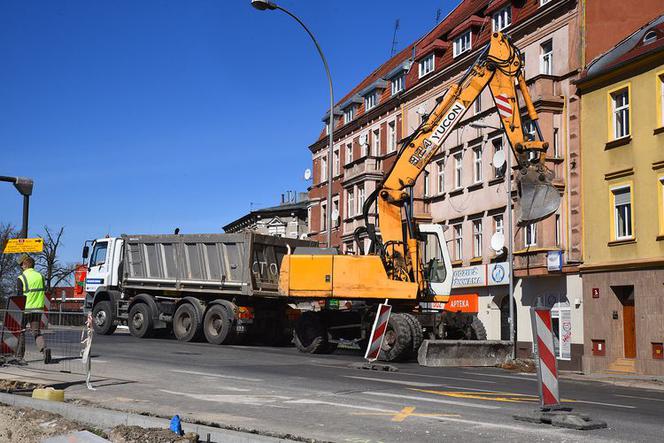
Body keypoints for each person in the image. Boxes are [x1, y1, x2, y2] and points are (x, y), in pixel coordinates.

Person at [15, 255, 51, 364]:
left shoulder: (21, 278)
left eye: (21, 265)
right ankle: (44, 349)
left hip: (25, 309)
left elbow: (19, 296)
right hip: (38, 309)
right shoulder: (40, 276)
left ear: (25, 265)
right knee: (36, 332)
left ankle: (20, 357)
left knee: (21, 331)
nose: (21, 267)